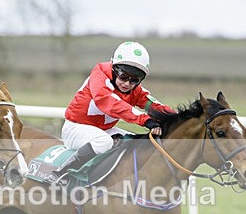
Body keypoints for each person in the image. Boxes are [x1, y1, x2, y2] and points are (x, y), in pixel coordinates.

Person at [52, 41, 175, 177]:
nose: (127, 83)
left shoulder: (135, 90)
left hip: (104, 130)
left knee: (134, 143)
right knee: (103, 142)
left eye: (134, 80)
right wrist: (145, 120)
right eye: (123, 76)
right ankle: (61, 174)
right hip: (75, 128)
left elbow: (155, 106)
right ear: (114, 69)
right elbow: (108, 102)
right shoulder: (99, 75)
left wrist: (179, 118)